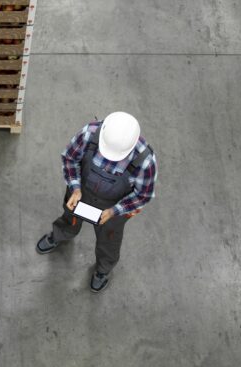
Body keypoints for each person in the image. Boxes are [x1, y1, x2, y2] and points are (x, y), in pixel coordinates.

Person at [36, 112, 157, 293]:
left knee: (109, 239)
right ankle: (60, 234)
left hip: (113, 207)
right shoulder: (90, 133)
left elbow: (142, 196)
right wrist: (75, 187)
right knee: (70, 218)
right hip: (81, 193)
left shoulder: (145, 162)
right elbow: (70, 159)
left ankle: (102, 270)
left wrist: (115, 211)